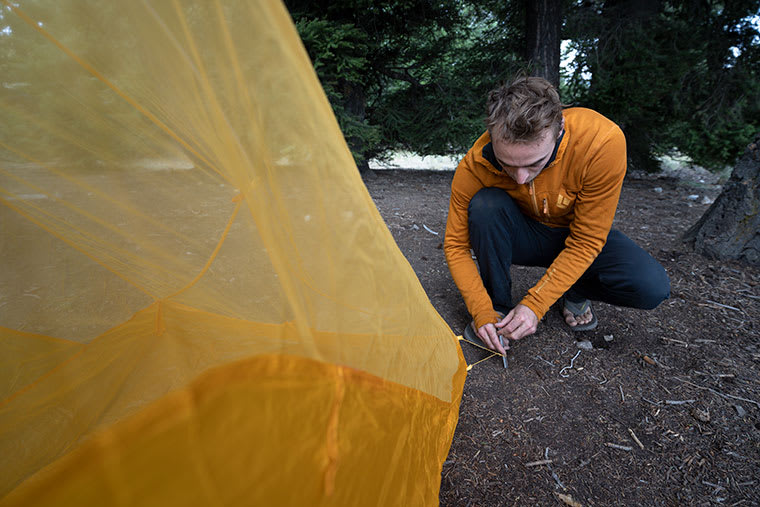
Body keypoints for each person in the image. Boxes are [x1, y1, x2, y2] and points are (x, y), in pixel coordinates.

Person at [444, 76, 670, 355]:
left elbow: (586, 241)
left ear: (560, 127)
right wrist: (480, 310)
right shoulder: (474, 164)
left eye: (534, 163)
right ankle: (497, 310)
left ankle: (574, 289)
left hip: (578, 236)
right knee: (485, 206)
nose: (520, 178)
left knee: (650, 287)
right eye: (507, 164)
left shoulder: (601, 141)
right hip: (522, 234)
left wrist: (535, 304)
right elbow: (456, 246)